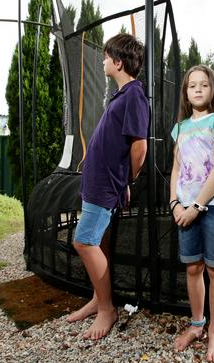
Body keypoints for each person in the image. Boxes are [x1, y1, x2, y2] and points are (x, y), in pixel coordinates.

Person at [66, 33, 149, 341]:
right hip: (96, 183)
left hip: (105, 186)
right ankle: (96, 299)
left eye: (105, 57)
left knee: (84, 241)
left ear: (117, 62)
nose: (102, 61)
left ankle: (107, 310)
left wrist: (125, 181)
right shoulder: (119, 96)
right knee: (97, 242)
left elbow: (139, 148)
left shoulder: (133, 96)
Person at [169, 65, 214, 362]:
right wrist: (175, 203)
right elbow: (176, 168)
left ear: (213, 90)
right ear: (185, 92)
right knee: (193, 268)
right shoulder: (181, 127)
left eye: (204, 85)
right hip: (185, 209)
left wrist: (196, 207)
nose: (197, 89)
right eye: (191, 85)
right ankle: (197, 324)